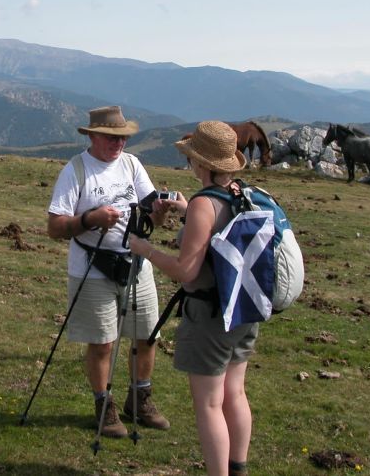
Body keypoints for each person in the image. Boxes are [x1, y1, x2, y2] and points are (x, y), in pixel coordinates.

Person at [128, 121, 255, 476]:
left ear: (199, 163)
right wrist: (188, 211)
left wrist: (145, 249)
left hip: (210, 315)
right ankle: (239, 468)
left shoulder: (204, 203)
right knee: (236, 394)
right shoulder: (241, 192)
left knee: (210, 404)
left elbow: (185, 271)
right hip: (244, 309)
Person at [47, 106, 171, 438]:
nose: (119, 143)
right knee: (103, 343)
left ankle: (140, 400)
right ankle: (104, 406)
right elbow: (55, 227)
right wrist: (90, 220)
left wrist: (159, 212)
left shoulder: (132, 165)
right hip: (93, 267)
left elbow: (152, 216)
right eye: (112, 137)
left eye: (124, 137)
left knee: (147, 335)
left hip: (135, 265)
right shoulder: (75, 171)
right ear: (92, 136)